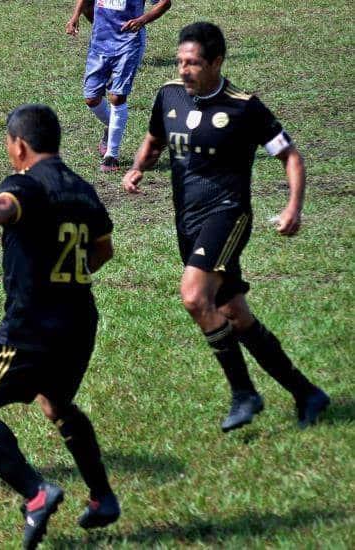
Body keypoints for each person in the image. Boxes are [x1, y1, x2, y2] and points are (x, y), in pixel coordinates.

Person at [121, 22, 330, 431]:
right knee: (234, 314)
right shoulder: (169, 96)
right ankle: (307, 393)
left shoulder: (244, 106)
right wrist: (136, 168)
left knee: (194, 297)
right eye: (181, 61)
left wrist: (293, 208)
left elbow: (290, 156)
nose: (184, 69)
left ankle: (244, 392)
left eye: (193, 63)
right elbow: (154, 139)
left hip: (228, 214)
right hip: (188, 221)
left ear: (216, 62)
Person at [0, 104, 118, 549]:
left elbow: (5, 206)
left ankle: (36, 495)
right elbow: (103, 251)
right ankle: (102, 497)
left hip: (32, 328)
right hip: (80, 322)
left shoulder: (24, 183)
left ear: (18, 145)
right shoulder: (82, 189)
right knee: (56, 403)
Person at [66, 0, 171, 173]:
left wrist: (142, 20)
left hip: (129, 43)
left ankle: (111, 155)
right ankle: (112, 126)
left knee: (117, 96)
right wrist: (75, 16)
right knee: (91, 99)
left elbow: (165, 3)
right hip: (100, 42)